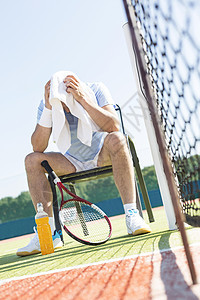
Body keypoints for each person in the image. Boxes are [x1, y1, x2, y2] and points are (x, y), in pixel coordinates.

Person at [16, 73, 151, 256]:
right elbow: (37, 146)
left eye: (66, 99)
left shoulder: (96, 89)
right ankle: (47, 234)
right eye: (59, 101)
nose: (64, 106)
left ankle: (132, 215)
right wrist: (49, 108)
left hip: (102, 154)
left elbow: (113, 126)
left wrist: (83, 100)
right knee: (31, 160)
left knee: (117, 139)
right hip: (71, 161)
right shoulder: (47, 104)